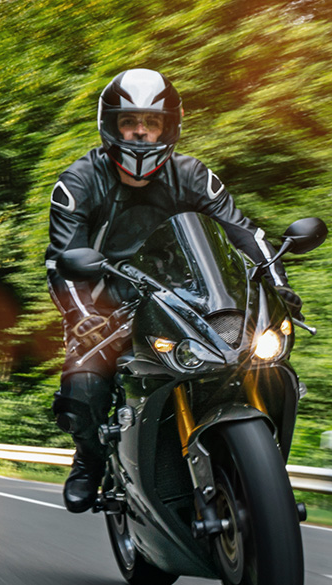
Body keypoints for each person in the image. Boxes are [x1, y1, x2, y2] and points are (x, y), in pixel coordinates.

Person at [45, 68, 304, 513]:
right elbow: (61, 260)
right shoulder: (79, 181)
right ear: (112, 125)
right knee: (85, 387)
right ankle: (89, 457)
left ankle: (264, 480)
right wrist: (81, 314)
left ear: (170, 126)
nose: (141, 132)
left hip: (188, 294)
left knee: (259, 354)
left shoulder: (194, 175)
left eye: (152, 123)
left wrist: (278, 283)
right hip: (108, 302)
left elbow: (242, 232)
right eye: (131, 122)